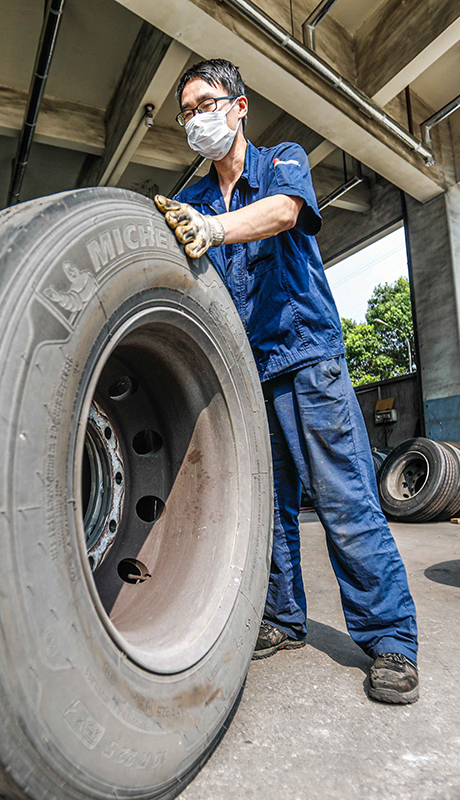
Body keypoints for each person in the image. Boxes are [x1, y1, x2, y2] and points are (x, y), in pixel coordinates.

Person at [154, 59, 420, 704]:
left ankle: (391, 640)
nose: (195, 120)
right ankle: (282, 618)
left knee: (344, 498)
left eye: (205, 105)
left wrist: (213, 230)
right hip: (243, 372)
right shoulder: (189, 199)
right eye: (186, 112)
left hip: (305, 359)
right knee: (267, 508)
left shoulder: (281, 161)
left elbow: (283, 213)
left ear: (238, 106)